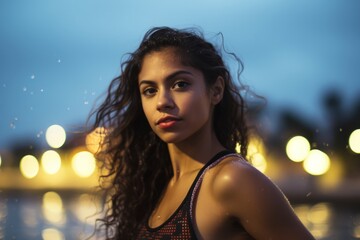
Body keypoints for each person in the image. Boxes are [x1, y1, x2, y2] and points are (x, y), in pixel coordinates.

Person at [91, 26, 315, 240]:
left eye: (180, 84)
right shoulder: (154, 186)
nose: (162, 102)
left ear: (216, 91)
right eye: (150, 90)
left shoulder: (232, 180)